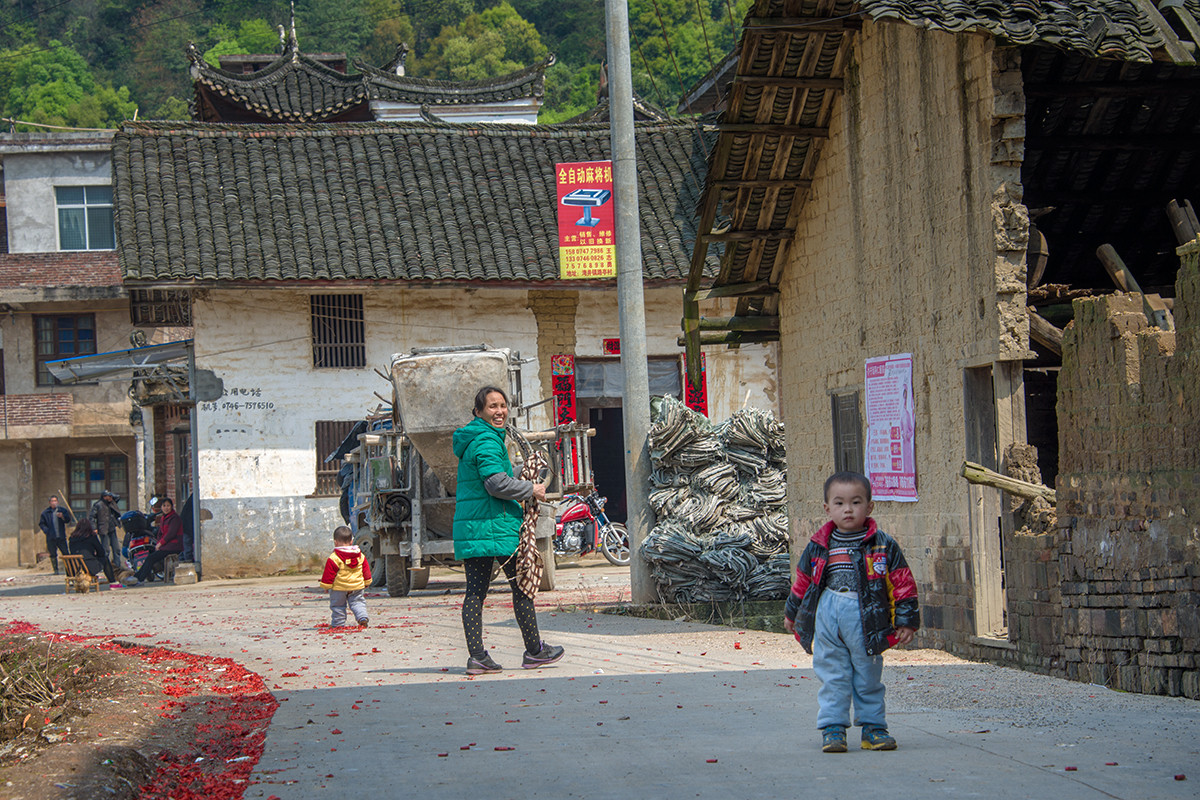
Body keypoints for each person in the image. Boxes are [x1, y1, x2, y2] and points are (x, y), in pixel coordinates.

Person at [783, 471, 920, 753]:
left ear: (869, 507)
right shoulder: (818, 546)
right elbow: (802, 583)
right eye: (840, 503)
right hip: (827, 617)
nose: (848, 509)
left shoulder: (883, 544)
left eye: (856, 502)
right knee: (832, 674)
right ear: (827, 508)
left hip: (867, 617)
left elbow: (902, 582)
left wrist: (906, 620)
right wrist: (792, 614)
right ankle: (833, 729)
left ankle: (873, 729)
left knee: (868, 674)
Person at [452, 385, 563, 675]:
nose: (499, 411)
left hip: (477, 526)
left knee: (475, 592)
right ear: (478, 412)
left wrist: (519, 472)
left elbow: (494, 477)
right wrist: (531, 488)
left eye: (503, 406)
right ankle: (535, 652)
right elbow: (495, 485)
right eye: (492, 406)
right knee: (522, 588)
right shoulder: (487, 440)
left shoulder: (477, 437)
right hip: (495, 527)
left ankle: (478, 657)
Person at [318, 526, 371, 627]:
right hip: (356, 586)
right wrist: (367, 582)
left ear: (335, 542)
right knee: (357, 602)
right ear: (351, 541)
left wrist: (326, 586)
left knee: (338, 606)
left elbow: (329, 574)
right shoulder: (360, 555)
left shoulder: (334, 557)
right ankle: (362, 617)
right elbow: (366, 570)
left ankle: (338, 624)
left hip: (339, 588)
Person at [130, 497, 184, 585]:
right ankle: (136, 577)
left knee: (151, 558)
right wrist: (158, 542)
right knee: (149, 556)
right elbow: (160, 533)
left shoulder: (175, 518)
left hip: (173, 546)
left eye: (168, 506)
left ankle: (139, 579)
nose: (166, 508)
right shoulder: (163, 518)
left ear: (171, 507)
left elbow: (171, 534)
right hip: (166, 546)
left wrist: (160, 544)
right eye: (164, 506)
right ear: (161, 507)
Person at [66, 518, 115, 584]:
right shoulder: (91, 536)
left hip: (74, 567)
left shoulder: (72, 538)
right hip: (89, 566)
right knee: (105, 559)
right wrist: (95, 555)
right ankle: (112, 581)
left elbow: (72, 551)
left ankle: (71, 582)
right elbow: (101, 551)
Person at [38, 495, 74, 574]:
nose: (54, 503)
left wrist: (62, 516)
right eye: (52, 501)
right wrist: (47, 531)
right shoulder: (46, 513)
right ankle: (55, 570)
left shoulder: (62, 510)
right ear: (49, 502)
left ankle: (68, 569)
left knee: (65, 553)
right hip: (51, 537)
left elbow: (68, 520)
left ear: (57, 502)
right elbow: (41, 524)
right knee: (53, 554)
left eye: (55, 501)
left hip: (61, 536)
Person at [89, 489, 122, 569]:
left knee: (116, 548)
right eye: (108, 496)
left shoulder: (111, 503)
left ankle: (117, 565)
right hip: (103, 528)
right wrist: (94, 528)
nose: (111, 497)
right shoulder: (98, 504)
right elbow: (92, 517)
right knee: (105, 549)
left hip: (111, 527)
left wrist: (111, 495)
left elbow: (118, 497)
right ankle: (105, 566)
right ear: (104, 497)